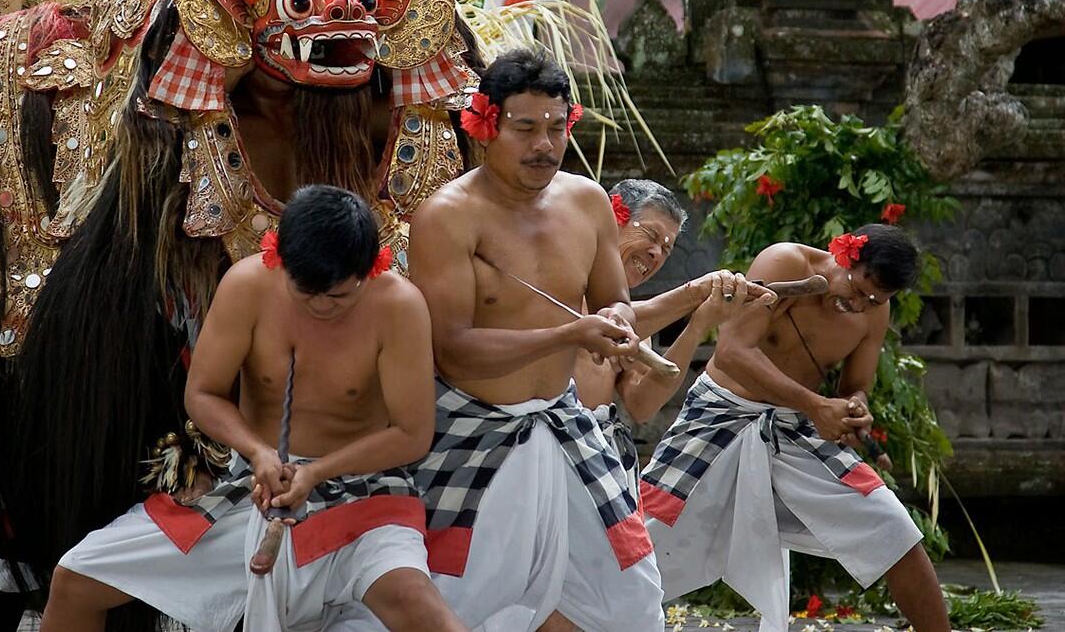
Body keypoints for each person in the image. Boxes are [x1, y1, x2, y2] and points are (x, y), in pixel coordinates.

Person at [41, 186, 466, 632]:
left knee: (419, 609)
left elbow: (411, 434)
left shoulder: (399, 305)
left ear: (369, 270)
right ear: (279, 259)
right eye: (308, 293)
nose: (322, 306)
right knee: (76, 579)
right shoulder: (247, 285)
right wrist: (260, 453)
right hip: (251, 485)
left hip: (365, 494)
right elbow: (202, 393)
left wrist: (316, 473)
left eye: (339, 296)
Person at [358, 48, 665, 631]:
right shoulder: (447, 216)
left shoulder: (586, 201)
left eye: (556, 128)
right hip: (472, 430)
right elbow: (449, 348)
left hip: (566, 424)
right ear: (486, 126)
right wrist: (569, 333)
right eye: (525, 129)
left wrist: (619, 321)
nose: (544, 146)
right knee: (455, 599)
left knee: (629, 596)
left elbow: (613, 297)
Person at [640, 225, 951, 632]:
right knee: (640, 537)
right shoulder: (786, 261)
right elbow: (732, 352)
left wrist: (855, 406)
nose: (859, 306)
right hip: (719, 414)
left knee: (892, 525)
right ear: (845, 255)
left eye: (875, 300)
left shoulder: (874, 311)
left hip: (794, 428)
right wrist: (816, 405)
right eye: (858, 290)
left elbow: (856, 384)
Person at [569, 179, 764, 492]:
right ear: (611, 219)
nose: (656, 253)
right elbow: (603, 323)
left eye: (667, 248)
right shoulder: (564, 280)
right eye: (651, 235)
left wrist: (697, 326)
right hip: (548, 438)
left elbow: (643, 404)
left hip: (597, 450)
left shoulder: (632, 316)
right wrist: (693, 293)